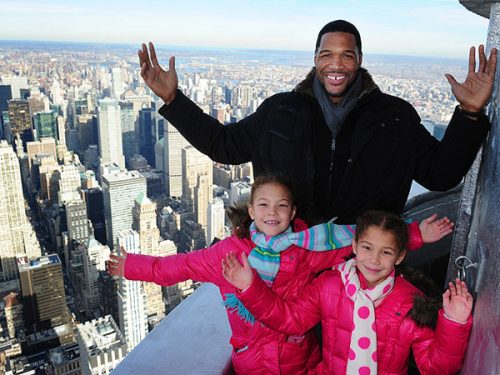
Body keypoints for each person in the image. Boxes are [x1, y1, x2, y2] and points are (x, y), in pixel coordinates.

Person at [138, 20, 496, 224]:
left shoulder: (394, 116)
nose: (336, 64)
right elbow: (224, 145)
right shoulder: (281, 110)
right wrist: (173, 100)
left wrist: (469, 115)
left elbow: (440, 174)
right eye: (327, 54)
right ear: (315, 59)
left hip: (365, 267)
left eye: (346, 55)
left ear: (359, 60)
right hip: (293, 260)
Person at [107, 175, 452, 375]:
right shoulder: (225, 255)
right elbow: (175, 267)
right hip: (251, 362)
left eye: (281, 205)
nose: (272, 212)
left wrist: (418, 234)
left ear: (293, 212)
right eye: (263, 205)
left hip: (302, 358)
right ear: (251, 210)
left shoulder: (307, 247)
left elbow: (363, 246)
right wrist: (130, 266)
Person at [222, 210, 473, 375]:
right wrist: (250, 286)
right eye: (366, 247)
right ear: (354, 246)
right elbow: (291, 319)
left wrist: (454, 322)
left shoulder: (411, 303)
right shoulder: (330, 285)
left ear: (400, 256)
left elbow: (435, 368)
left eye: (386, 252)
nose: (374, 260)